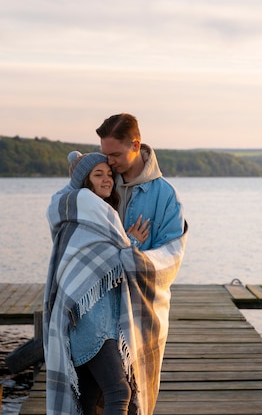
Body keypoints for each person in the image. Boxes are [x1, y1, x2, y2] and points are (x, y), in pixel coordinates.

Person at [43, 151, 187, 415]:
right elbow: (98, 262)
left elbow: (103, 260)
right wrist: (130, 244)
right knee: (119, 391)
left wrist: (126, 243)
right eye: (98, 175)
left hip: (97, 318)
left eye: (109, 174)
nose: (107, 179)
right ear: (85, 181)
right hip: (89, 321)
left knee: (88, 398)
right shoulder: (84, 208)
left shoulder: (99, 212)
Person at [96, 113, 185, 251]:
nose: (109, 161)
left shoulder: (166, 196)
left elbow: (167, 257)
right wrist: (130, 243)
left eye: (115, 155)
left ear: (136, 146)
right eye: (106, 154)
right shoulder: (98, 186)